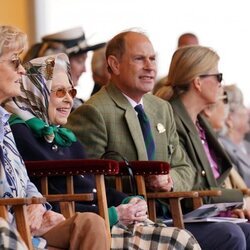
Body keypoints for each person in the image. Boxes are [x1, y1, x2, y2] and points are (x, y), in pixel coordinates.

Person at [5, 51, 200, 250]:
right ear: (36, 92)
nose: (68, 100)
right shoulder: (21, 133)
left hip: (102, 217)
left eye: (71, 92)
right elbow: (54, 198)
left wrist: (128, 200)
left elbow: (93, 187)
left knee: (182, 237)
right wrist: (112, 213)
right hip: (79, 223)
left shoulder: (64, 136)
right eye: (59, 92)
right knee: (178, 241)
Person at [0, 25, 109, 250]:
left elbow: (25, 180)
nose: (21, 71)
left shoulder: (3, 120)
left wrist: (39, 205)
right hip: (8, 221)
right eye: (14, 62)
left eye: (71, 92)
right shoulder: (20, 128)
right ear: (39, 91)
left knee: (91, 223)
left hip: (27, 216)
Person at [155, 44, 250, 249]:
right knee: (233, 235)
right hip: (180, 216)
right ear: (197, 82)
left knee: (244, 230)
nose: (220, 85)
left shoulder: (198, 122)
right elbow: (195, 186)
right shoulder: (172, 119)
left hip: (207, 213)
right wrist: (240, 200)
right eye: (218, 77)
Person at [23, 27, 106, 110]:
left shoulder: (77, 105)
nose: (84, 70)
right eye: (80, 61)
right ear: (58, 64)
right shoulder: (34, 110)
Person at [218, 84, 250, 187]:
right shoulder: (222, 148)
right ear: (229, 118)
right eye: (242, 106)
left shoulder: (246, 145)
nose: (248, 111)